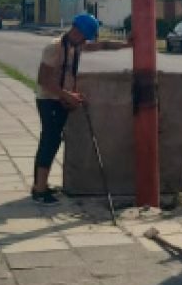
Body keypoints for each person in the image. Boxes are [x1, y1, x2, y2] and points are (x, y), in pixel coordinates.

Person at [31, 13, 128, 205]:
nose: (85, 40)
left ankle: (40, 184)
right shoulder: (55, 48)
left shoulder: (75, 46)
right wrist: (67, 96)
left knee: (54, 141)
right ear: (76, 30)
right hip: (49, 101)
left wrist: (127, 44)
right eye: (84, 36)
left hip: (60, 100)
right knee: (49, 142)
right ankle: (39, 190)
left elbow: (102, 45)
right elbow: (44, 80)